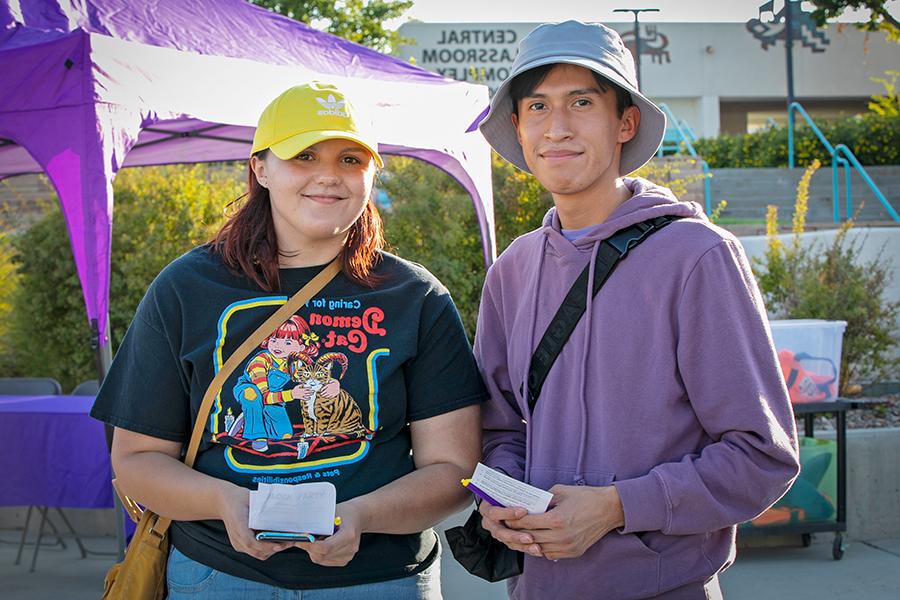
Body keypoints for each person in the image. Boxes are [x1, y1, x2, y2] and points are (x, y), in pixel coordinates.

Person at [91, 81, 485, 599]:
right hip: (219, 577)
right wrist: (224, 502)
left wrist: (361, 516)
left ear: (370, 174)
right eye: (303, 155)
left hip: (380, 581)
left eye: (350, 158)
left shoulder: (415, 296)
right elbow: (137, 460)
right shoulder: (186, 288)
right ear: (260, 168)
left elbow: (453, 468)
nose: (329, 175)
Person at [473, 21, 800, 599]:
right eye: (538, 107)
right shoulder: (513, 272)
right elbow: (501, 429)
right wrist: (502, 498)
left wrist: (616, 507)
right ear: (519, 128)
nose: (559, 127)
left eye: (582, 102)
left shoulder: (697, 257)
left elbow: (761, 456)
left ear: (625, 122)